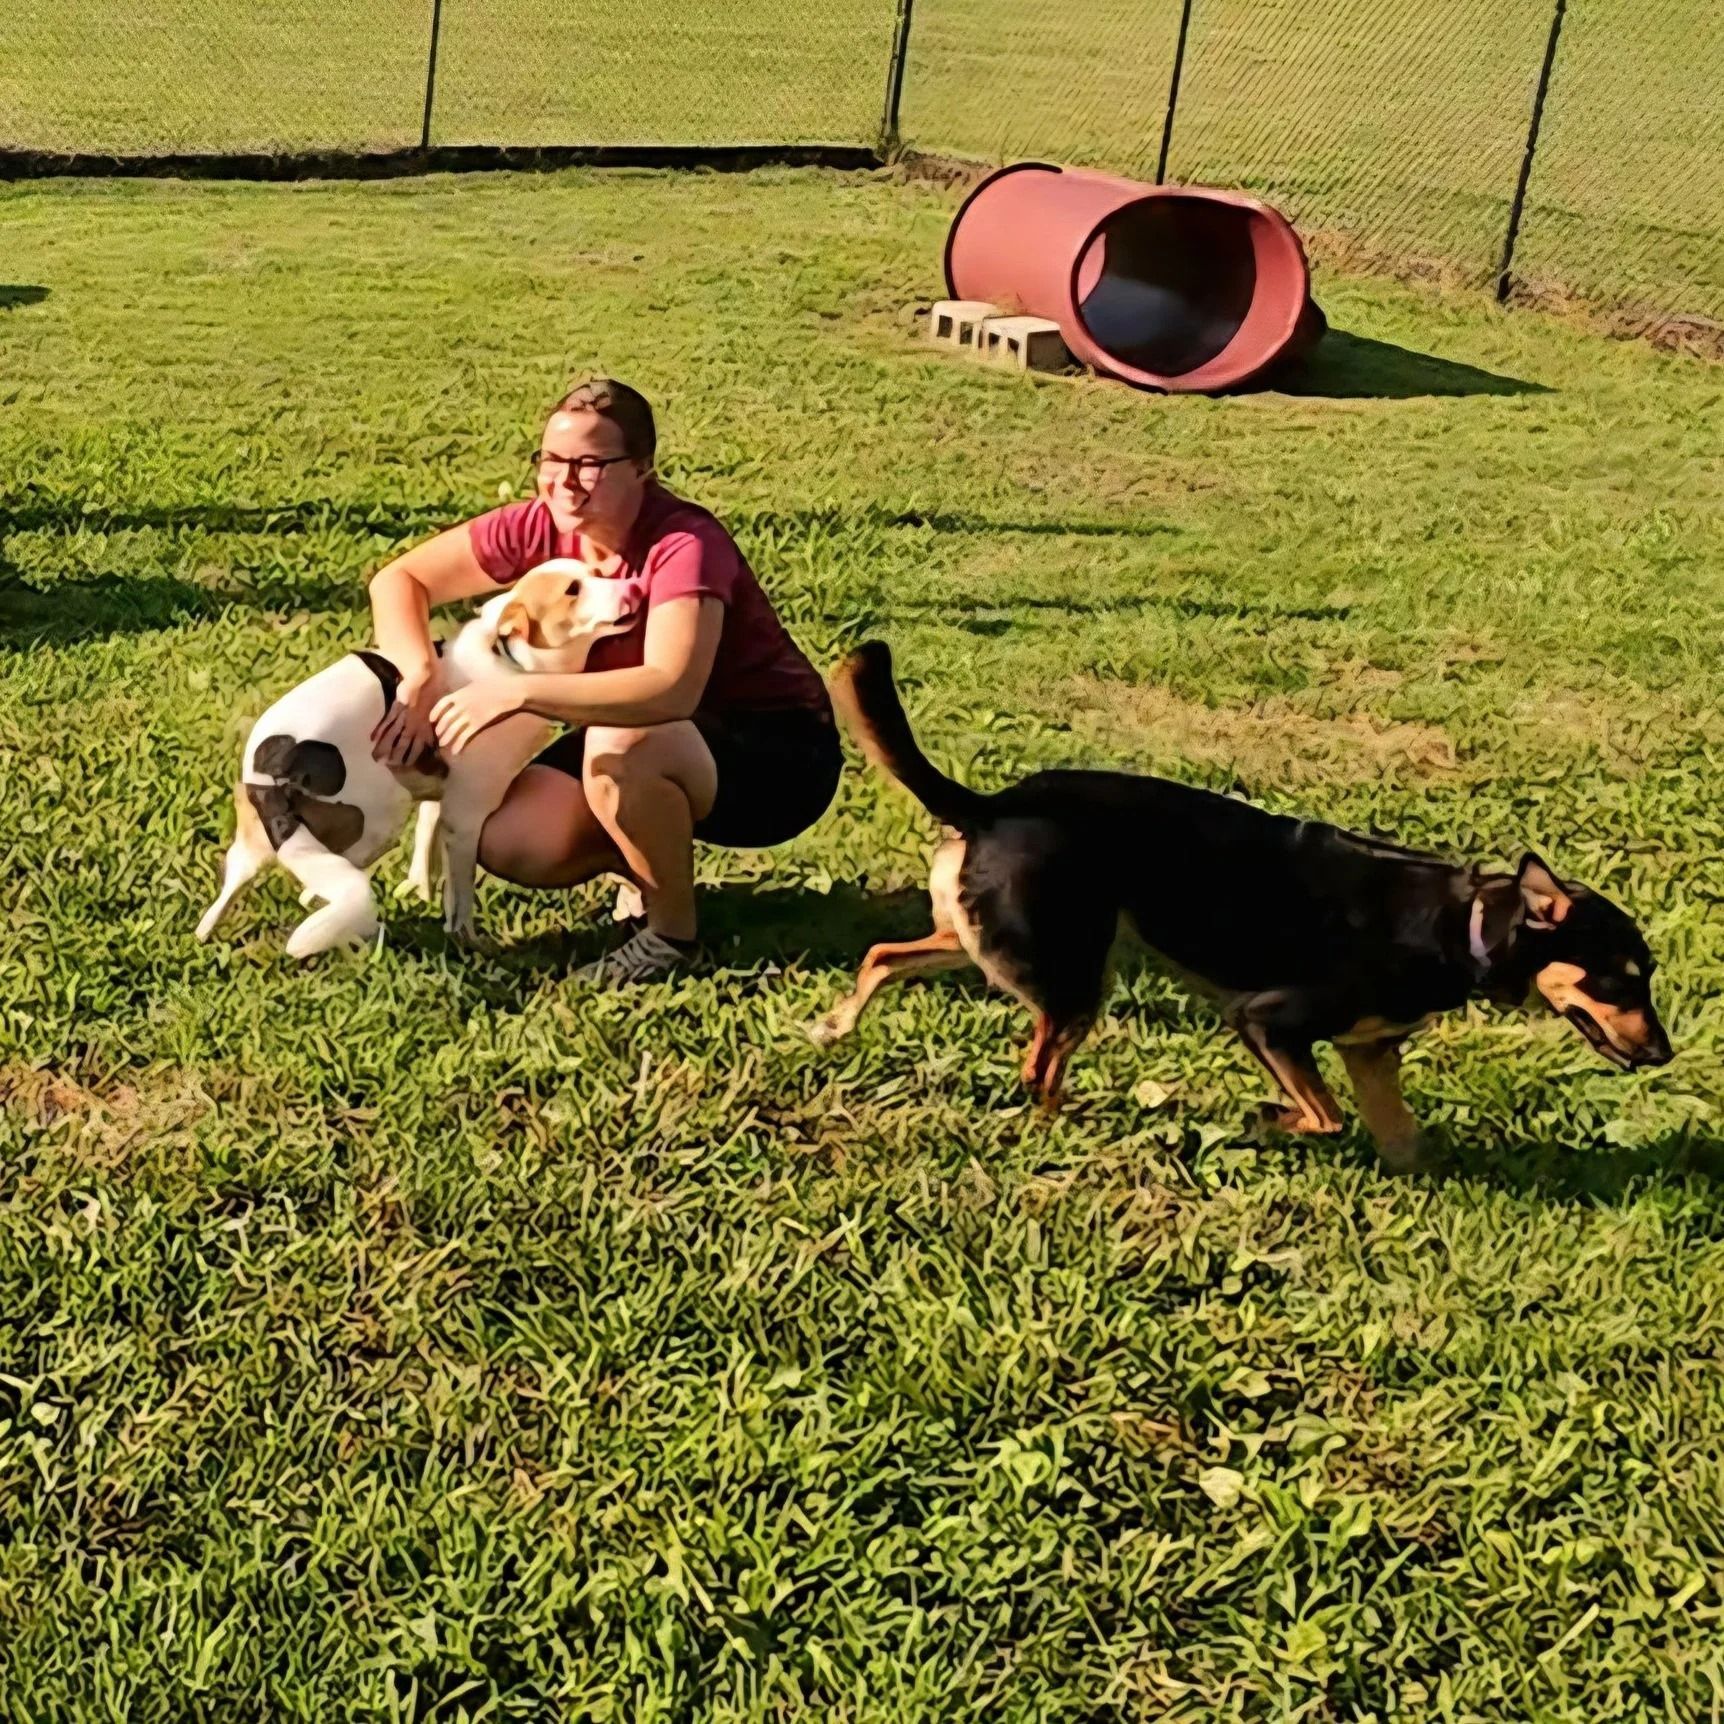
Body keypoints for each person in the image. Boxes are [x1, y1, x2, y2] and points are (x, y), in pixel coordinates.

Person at [366, 378, 841, 984]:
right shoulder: (544, 525)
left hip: (778, 757)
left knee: (621, 745)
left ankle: (671, 937)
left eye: (591, 464)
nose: (564, 481)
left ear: (642, 467)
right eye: (552, 460)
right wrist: (418, 672)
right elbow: (400, 581)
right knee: (512, 837)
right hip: (648, 738)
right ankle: (647, 868)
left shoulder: (683, 543)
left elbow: (671, 689)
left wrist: (518, 691)